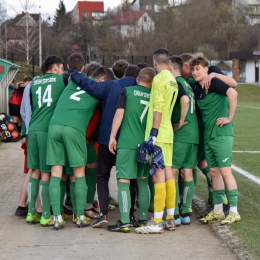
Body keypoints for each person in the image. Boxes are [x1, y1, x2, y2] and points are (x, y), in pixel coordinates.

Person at [70, 65, 139, 228]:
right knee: (130, 179)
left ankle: (103, 214)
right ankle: (130, 215)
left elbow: (90, 85)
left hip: (107, 138)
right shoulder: (140, 90)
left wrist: (73, 73)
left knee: (102, 176)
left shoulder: (111, 85)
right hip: (129, 141)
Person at [47, 53, 103, 229]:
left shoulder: (71, 82)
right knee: (79, 174)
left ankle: (56, 217)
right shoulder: (97, 90)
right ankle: (79, 216)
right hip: (75, 129)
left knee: (56, 173)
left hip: (54, 126)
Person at [189, 55, 241, 225]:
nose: (195, 72)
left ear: (206, 69)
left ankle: (233, 211)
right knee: (214, 172)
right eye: (193, 69)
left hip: (222, 134)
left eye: (198, 69)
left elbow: (233, 92)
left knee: (225, 171)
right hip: (209, 136)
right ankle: (218, 210)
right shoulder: (196, 87)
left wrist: (229, 117)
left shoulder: (213, 81)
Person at [135, 48, 179, 234]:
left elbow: (158, 107)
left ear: (154, 63)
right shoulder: (173, 80)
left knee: (158, 176)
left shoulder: (160, 79)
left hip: (159, 133)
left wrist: (152, 134)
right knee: (169, 174)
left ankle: (157, 221)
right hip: (168, 132)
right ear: (168, 62)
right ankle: (170, 218)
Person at [107, 68, 156, 232]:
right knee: (142, 181)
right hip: (144, 145)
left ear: (137, 79)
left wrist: (112, 136)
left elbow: (119, 114)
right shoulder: (153, 97)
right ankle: (143, 218)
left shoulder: (126, 91)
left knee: (123, 182)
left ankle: (125, 220)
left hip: (127, 143)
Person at [26, 55, 65, 226]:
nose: (62, 71)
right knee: (46, 173)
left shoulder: (34, 83)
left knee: (33, 171)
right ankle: (46, 214)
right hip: (45, 130)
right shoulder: (60, 81)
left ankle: (31, 212)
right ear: (55, 67)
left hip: (32, 129)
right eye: (62, 68)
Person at [169, 55, 198, 225]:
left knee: (172, 172)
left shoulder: (177, 83)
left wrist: (179, 121)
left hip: (182, 133)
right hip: (193, 134)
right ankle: (186, 211)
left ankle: (174, 213)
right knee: (187, 172)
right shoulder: (188, 84)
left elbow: (184, 101)